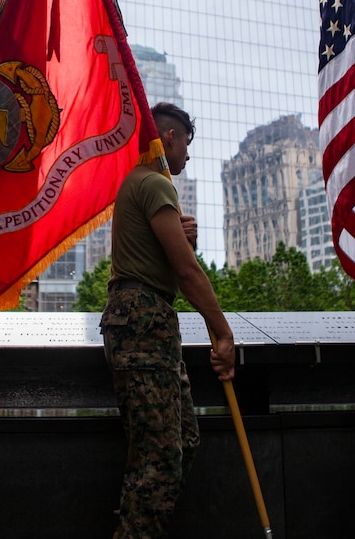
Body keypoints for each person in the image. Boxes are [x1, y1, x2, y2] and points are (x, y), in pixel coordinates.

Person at [99, 102, 236, 539]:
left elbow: (161, 250)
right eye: (187, 146)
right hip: (142, 323)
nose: (189, 158)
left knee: (181, 445)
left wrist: (180, 231)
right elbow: (187, 271)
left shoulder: (142, 185)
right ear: (170, 138)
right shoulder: (155, 182)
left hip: (150, 324)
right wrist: (222, 331)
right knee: (157, 462)